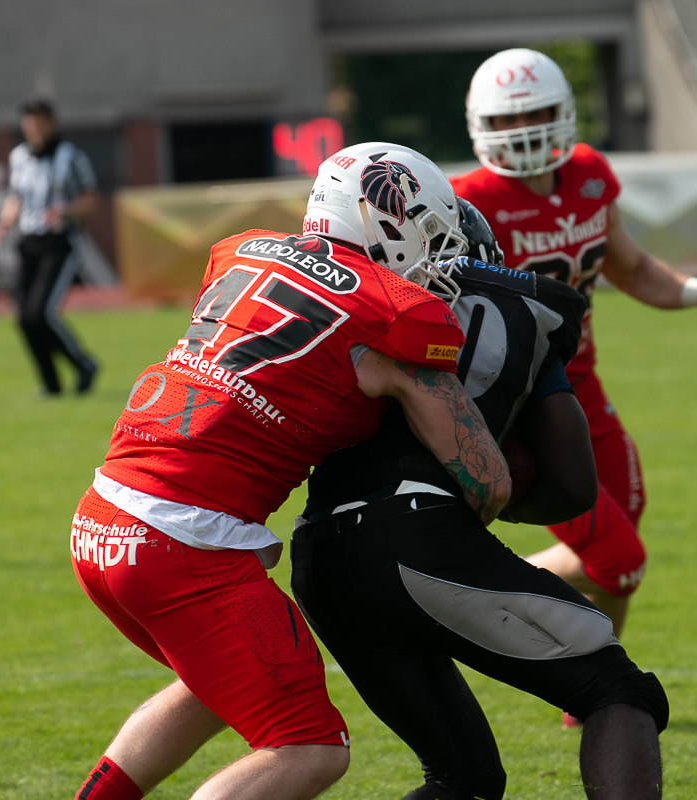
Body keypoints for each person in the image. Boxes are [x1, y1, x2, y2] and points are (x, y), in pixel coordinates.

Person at [67, 142, 511, 800]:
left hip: (101, 518)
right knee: (308, 747)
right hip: (184, 541)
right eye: (427, 234)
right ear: (377, 219)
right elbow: (488, 483)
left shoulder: (241, 251)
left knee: (216, 687)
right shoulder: (397, 312)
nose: (434, 257)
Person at [291, 196, 669, 800]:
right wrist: (497, 494)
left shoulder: (325, 298)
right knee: (619, 691)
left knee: (463, 779)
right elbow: (573, 485)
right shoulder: (521, 308)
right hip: (418, 537)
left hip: (318, 560)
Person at [451, 48, 697, 645]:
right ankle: (461, 601)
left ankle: (596, 701)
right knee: (620, 560)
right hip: (520, 406)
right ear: (479, 125)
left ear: (565, 112)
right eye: (505, 119)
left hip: (583, 389)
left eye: (536, 113)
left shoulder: (588, 174)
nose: (522, 130)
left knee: (618, 545)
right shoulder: (465, 200)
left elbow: (633, 271)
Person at [0, 99, 100, 396]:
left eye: (39, 121)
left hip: (59, 242)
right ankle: (51, 384)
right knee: (25, 319)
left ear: (51, 123)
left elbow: (91, 200)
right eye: (29, 122)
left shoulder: (71, 157)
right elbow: (16, 198)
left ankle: (83, 363)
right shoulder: (19, 157)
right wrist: (3, 223)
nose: (34, 128)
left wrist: (64, 210)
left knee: (42, 314)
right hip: (28, 242)